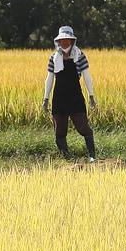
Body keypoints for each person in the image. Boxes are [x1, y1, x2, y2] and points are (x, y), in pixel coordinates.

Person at [42, 26, 98, 162]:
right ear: (58, 42)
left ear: (72, 41)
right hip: (59, 97)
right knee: (59, 131)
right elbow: (49, 78)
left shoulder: (80, 56)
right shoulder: (53, 58)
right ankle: (67, 158)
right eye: (62, 40)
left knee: (83, 127)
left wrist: (91, 96)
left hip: (75, 97)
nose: (65, 43)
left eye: (67, 40)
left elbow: (87, 76)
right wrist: (45, 99)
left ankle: (92, 156)